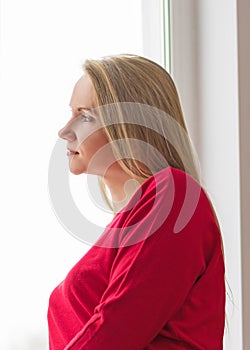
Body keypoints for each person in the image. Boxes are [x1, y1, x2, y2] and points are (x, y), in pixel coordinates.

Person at [48, 54, 226, 349]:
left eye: (85, 115)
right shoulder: (131, 224)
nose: (65, 131)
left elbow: (115, 331)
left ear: (130, 124)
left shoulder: (175, 196)